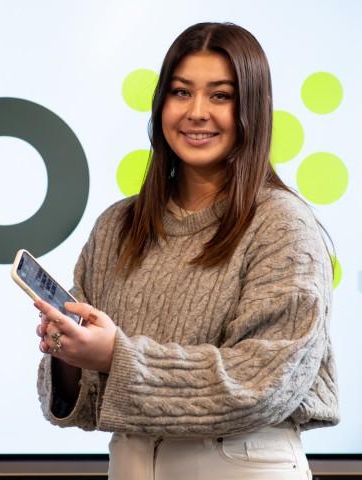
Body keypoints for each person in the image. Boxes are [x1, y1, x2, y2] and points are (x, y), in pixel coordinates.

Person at [34, 22, 339, 480]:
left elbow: (261, 385)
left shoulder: (282, 225)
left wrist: (116, 356)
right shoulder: (118, 225)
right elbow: (89, 404)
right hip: (131, 464)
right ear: (160, 106)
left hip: (241, 464)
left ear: (253, 109)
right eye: (180, 92)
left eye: (221, 95)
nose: (196, 112)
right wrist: (68, 352)